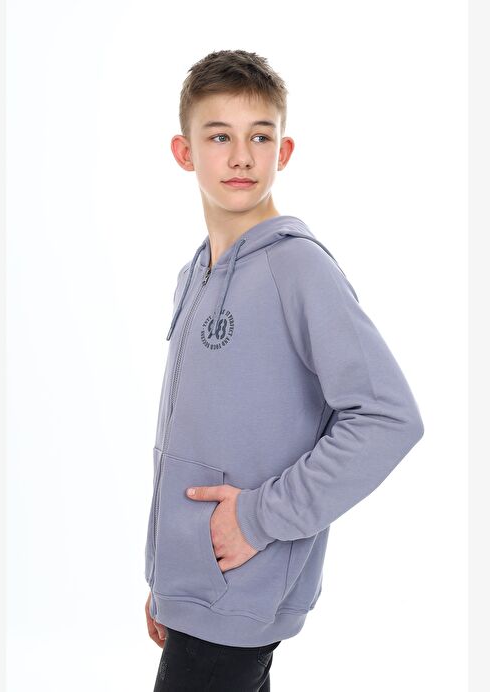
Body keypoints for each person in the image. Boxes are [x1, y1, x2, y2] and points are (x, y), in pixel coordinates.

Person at [144, 49, 424, 691]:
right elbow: (185, 438)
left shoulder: (298, 268)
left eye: (260, 136)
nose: (242, 156)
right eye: (220, 136)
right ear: (185, 152)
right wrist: (165, 578)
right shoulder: (194, 274)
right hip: (195, 589)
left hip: (242, 584)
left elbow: (388, 418)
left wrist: (258, 518)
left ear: (284, 151)